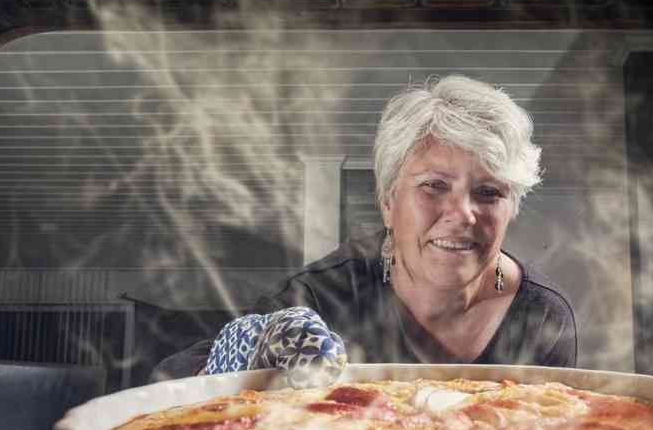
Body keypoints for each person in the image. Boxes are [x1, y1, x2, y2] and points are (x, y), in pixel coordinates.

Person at [153, 75, 577, 384]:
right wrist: (248, 352)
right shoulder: (328, 295)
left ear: (512, 208)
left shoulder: (543, 318)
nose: (463, 213)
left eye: (488, 192)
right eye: (434, 186)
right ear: (388, 202)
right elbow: (170, 383)